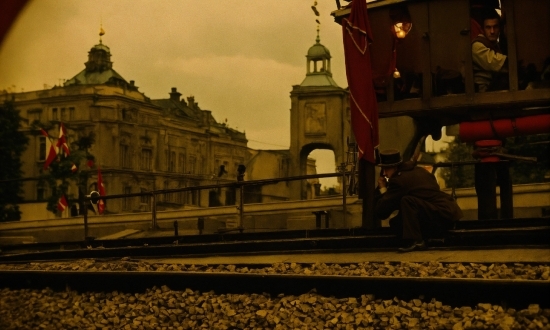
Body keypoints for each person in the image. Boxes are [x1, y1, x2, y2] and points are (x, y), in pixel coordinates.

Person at [374, 149, 463, 252]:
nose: (384, 173)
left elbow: (382, 211)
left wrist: (383, 188)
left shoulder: (399, 181)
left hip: (440, 215)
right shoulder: (419, 170)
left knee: (407, 201)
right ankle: (421, 238)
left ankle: (416, 241)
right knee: (396, 223)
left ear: (394, 167)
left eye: (386, 169)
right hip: (449, 212)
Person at [472, 9, 508, 92]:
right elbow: (499, 64)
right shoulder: (477, 46)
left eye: (495, 27)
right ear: (483, 29)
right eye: (488, 27)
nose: (492, 31)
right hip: (482, 92)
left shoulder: (496, 45)